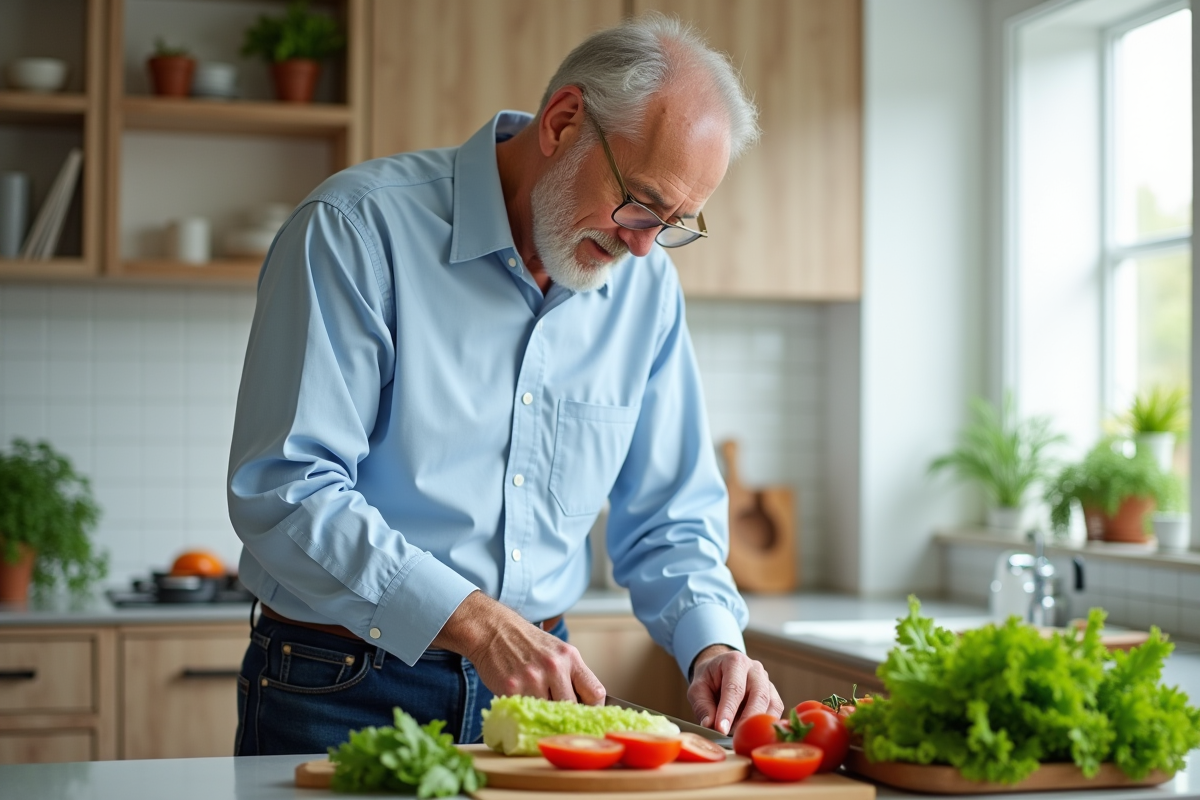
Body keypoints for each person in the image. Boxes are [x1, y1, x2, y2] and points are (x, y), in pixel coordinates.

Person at [227, 13, 784, 757]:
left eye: (676, 222)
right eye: (642, 203)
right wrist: (478, 622)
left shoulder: (646, 292)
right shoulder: (357, 231)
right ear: (563, 122)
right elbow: (286, 489)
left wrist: (713, 644)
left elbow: (670, 518)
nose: (645, 245)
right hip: (342, 684)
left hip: (538, 694)